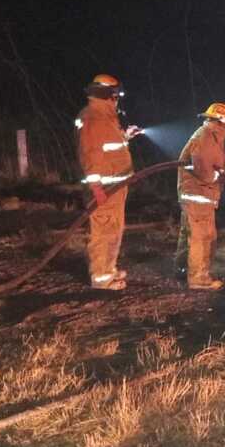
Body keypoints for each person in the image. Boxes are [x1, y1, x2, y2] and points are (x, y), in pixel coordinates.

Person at [76, 74, 140, 290]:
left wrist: (126, 137)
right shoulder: (92, 117)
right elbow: (90, 155)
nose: (117, 99)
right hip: (104, 188)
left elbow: (108, 146)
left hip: (116, 186)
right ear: (108, 95)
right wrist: (96, 187)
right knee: (103, 231)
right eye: (116, 95)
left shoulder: (105, 117)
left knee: (114, 229)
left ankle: (108, 268)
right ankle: (101, 278)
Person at [175, 101, 225, 290]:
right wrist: (222, 175)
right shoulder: (205, 138)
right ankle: (199, 279)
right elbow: (204, 172)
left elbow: (217, 158)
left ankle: (181, 270)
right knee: (202, 238)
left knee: (190, 234)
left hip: (198, 196)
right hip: (199, 195)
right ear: (221, 122)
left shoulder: (211, 137)